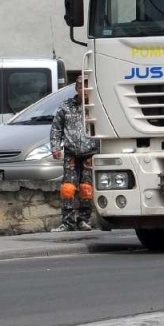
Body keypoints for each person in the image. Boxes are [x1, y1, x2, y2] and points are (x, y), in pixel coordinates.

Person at [49, 90, 97, 232]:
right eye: (81, 86)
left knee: (86, 188)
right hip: (72, 152)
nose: (84, 90)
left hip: (90, 152)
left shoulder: (96, 105)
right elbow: (56, 128)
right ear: (77, 88)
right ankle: (68, 222)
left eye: (86, 86)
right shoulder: (66, 106)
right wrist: (55, 147)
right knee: (68, 188)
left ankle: (83, 220)